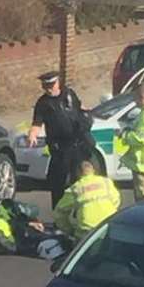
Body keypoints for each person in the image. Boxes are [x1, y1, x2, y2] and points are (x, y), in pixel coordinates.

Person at [28, 71, 94, 209]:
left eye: (51, 85)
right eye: (45, 86)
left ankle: (81, 210)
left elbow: (79, 108)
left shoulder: (69, 94)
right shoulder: (43, 103)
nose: (49, 89)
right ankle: (59, 214)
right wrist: (32, 135)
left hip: (77, 144)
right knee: (57, 183)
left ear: (58, 83)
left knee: (80, 180)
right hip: (60, 148)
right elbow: (37, 123)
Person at [53, 160, 121, 240]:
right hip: (108, 226)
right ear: (93, 170)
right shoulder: (106, 182)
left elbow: (59, 213)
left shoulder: (75, 188)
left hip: (86, 232)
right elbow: (117, 200)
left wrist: (69, 230)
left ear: (78, 173)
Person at [0, 190, 50, 255]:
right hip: (17, 244)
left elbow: (12, 222)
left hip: (19, 237)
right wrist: (29, 248)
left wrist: (28, 224)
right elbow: (6, 246)